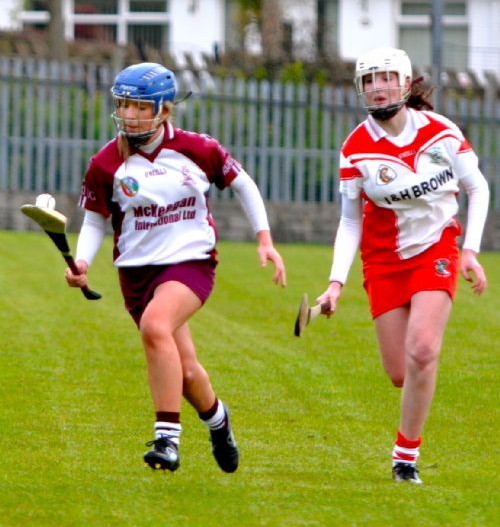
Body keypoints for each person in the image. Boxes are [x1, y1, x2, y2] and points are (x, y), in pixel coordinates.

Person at [65, 62, 286, 473]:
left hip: (190, 263)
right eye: (124, 104)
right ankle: (218, 421)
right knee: (185, 372)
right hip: (136, 275)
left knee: (155, 327)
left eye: (140, 106)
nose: (129, 114)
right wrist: (82, 261)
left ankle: (167, 439)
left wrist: (265, 239)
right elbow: (95, 220)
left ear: (164, 110)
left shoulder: (197, 149)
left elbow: (243, 184)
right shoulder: (105, 163)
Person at [317, 47, 489, 484]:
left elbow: (478, 188)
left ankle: (405, 457)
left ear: (406, 83)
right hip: (384, 260)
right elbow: (350, 221)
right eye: (369, 80)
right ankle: (408, 437)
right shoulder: (355, 149)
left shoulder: (441, 132)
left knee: (423, 350)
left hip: (436, 249)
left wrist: (470, 250)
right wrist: (336, 283)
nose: (377, 87)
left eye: (386, 77)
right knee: (399, 372)